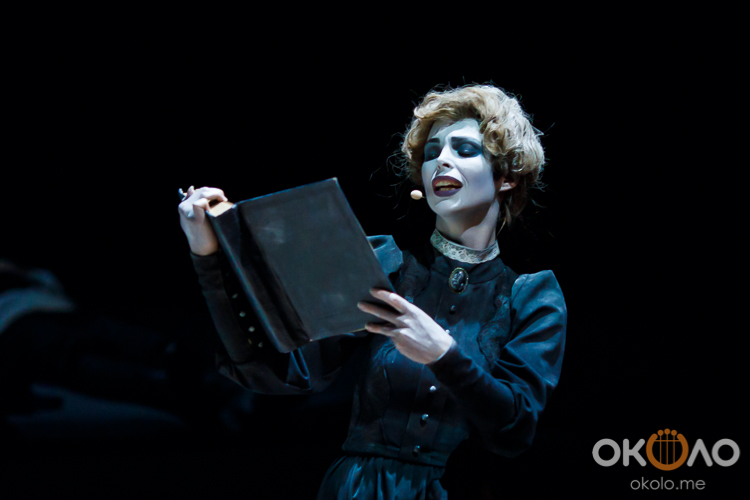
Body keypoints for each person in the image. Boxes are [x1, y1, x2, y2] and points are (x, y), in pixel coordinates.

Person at [178, 85, 567, 499]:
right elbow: (283, 372)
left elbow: (514, 430)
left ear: (507, 177)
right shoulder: (386, 264)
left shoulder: (531, 297)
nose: (441, 160)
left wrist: (444, 355)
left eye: (465, 150)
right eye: (432, 152)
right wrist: (208, 255)